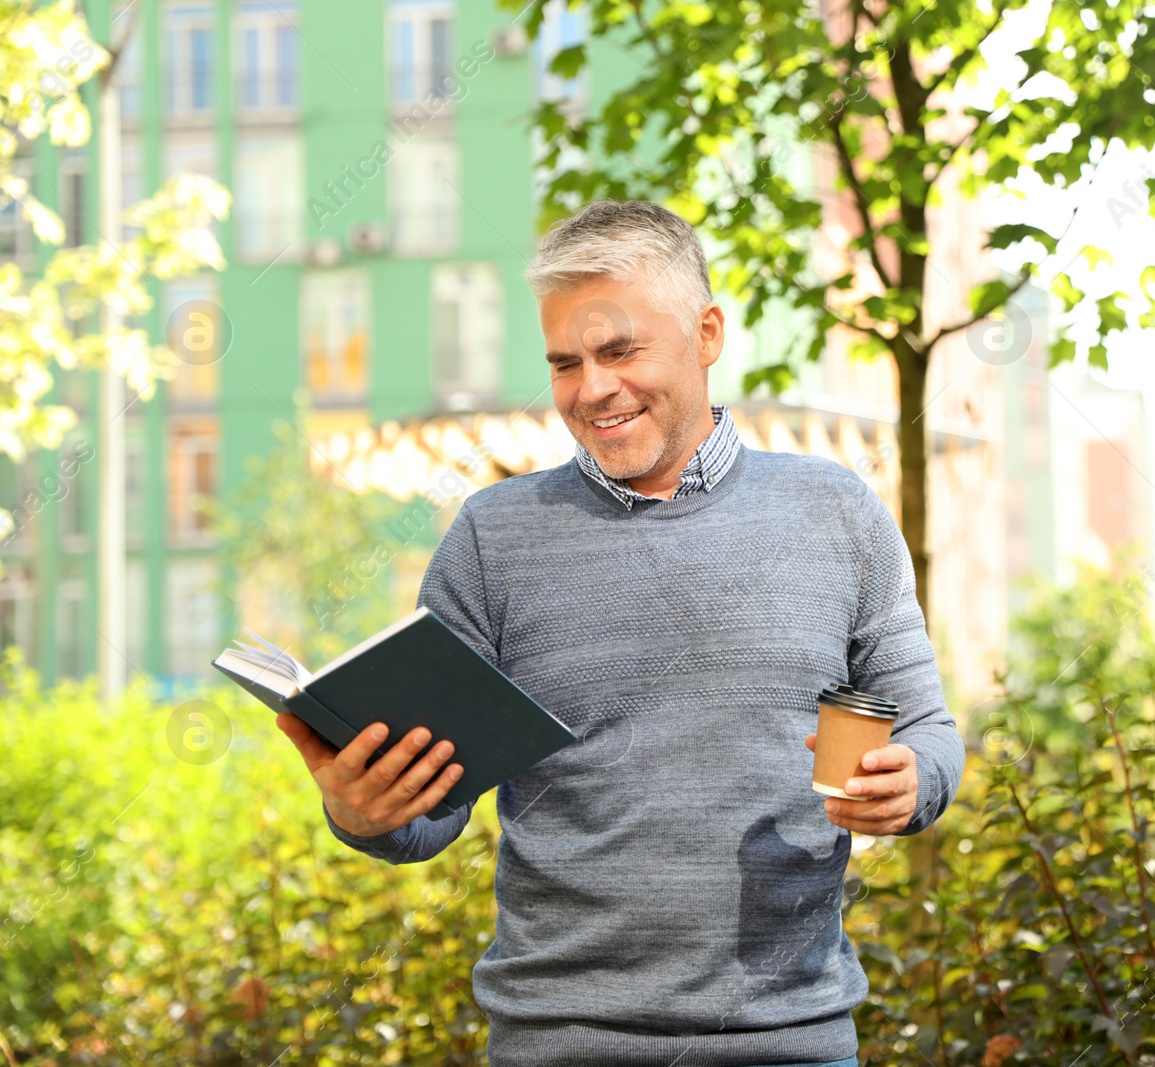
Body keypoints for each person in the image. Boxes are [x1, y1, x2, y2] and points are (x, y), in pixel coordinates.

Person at [275, 199, 967, 1067]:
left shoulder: (836, 513)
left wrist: (914, 784)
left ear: (706, 333)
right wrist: (360, 809)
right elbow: (425, 816)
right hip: (560, 1045)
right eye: (565, 362)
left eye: (620, 350)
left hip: (791, 1042)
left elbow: (930, 735)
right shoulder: (494, 538)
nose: (591, 388)